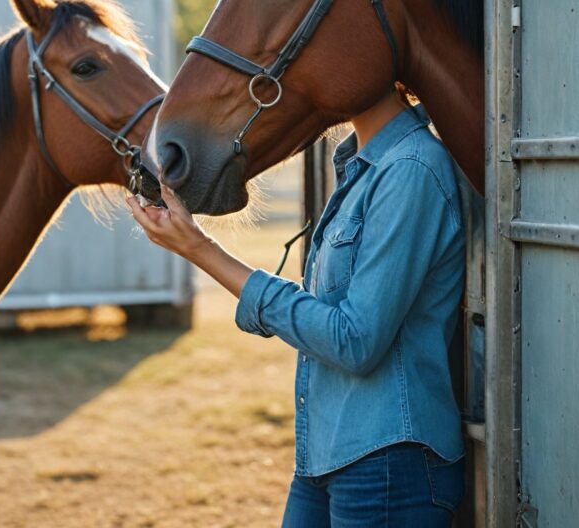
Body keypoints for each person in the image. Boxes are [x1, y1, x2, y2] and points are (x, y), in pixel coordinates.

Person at [126, 90, 466, 527]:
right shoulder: (362, 165)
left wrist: (202, 250)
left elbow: (355, 340)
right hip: (326, 454)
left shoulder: (411, 168)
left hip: (388, 462)